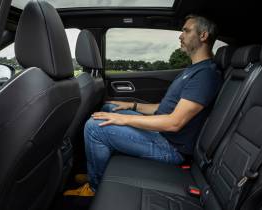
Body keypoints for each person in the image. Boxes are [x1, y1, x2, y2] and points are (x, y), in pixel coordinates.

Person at [64, 14, 222, 197]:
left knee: (94, 128)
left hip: (170, 148)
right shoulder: (193, 70)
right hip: (162, 135)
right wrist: (130, 105)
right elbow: (161, 108)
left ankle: (94, 187)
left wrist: (124, 120)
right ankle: (96, 170)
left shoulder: (205, 75)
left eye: (186, 31)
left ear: (203, 36)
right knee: (109, 109)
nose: (180, 35)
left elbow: (174, 122)